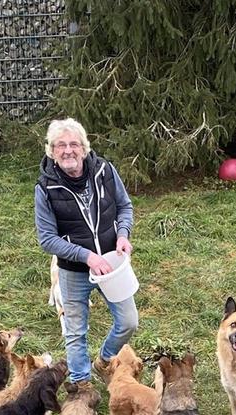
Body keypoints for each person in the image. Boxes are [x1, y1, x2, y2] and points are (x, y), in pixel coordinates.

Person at [35, 118, 138, 390]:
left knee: (128, 320)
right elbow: (47, 239)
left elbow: (124, 206)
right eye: (60, 145)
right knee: (75, 331)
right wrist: (86, 256)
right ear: (51, 151)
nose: (68, 150)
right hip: (73, 270)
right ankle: (81, 386)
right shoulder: (46, 188)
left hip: (111, 264)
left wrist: (123, 234)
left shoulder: (104, 170)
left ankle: (104, 360)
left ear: (84, 147)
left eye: (73, 144)